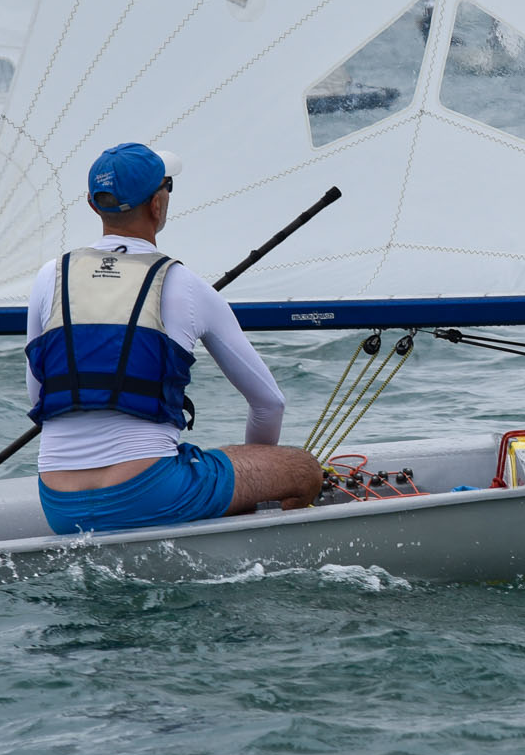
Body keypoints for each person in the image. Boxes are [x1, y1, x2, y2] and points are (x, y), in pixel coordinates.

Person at [26, 142, 324, 535]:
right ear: (157, 204)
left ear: (93, 205)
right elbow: (269, 404)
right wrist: (260, 472)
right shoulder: (187, 286)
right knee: (303, 468)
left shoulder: (50, 277)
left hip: (60, 505)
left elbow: (38, 396)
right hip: (150, 493)